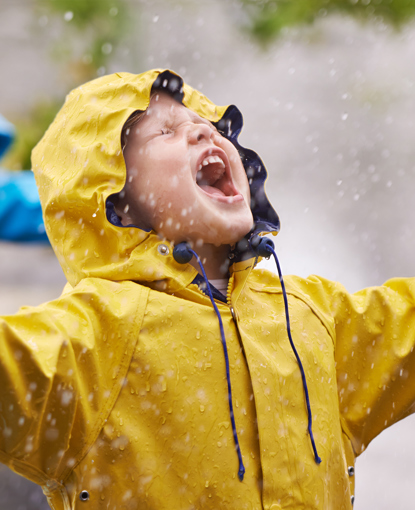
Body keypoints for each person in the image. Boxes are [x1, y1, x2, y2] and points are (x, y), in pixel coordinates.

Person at [0, 69, 414, 510]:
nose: (201, 129)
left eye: (206, 123)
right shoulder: (96, 337)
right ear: (114, 201)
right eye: (164, 131)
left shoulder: (313, 314)